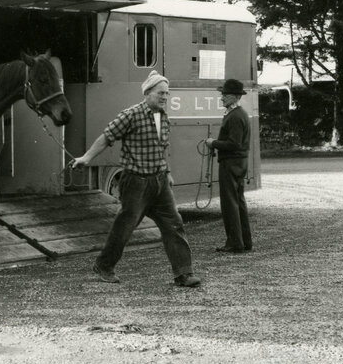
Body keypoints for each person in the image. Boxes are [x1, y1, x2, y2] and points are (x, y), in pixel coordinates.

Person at [72, 70, 198, 287]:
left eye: (167, 94)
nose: (165, 97)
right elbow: (106, 137)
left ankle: (183, 273)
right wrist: (86, 157)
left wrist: (167, 173)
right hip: (135, 182)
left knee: (174, 225)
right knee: (125, 226)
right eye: (160, 93)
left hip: (159, 182)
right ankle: (104, 266)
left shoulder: (164, 117)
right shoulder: (130, 115)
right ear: (147, 93)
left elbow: (162, 149)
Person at [205, 78, 253, 254]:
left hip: (231, 163)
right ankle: (244, 241)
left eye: (225, 95)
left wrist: (213, 143)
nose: (222, 97)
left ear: (234, 97)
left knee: (229, 203)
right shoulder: (239, 114)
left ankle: (234, 243)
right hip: (238, 163)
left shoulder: (234, 116)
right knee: (238, 202)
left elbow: (234, 144)